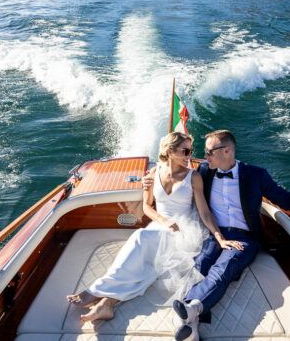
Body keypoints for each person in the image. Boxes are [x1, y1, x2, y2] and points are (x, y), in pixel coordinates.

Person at [145, 129, 290, 341]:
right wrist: (148, 181)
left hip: (244, 237)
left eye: (210, 152)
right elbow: (174, 174)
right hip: (216, 232)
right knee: (201, 264)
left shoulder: (256, 175)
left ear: (227, 151)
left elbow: (286, 198)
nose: (205, 156)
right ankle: (191, 322)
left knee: (224, 267)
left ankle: (192, 306)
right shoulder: (204, 170)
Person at [66, 132, 243, 322]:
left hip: (184, 231)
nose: (190, 155)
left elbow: (204, 212)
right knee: (147, 262)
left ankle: (97, 291)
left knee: (141, 243)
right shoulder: (152, 174)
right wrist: (163, 221)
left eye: (191, 150)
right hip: (160, 225)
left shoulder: (193, 177)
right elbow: (146, 207)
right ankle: (106, 304)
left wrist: (220, 238)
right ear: (170, 151)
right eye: (186, 150)